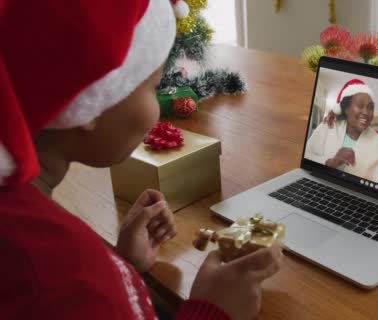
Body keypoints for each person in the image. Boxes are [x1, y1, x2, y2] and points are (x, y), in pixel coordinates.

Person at [0, 1, 281, 320]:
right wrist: (212, 311)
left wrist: (122, 266)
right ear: (92, 98)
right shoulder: (69, 282)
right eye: (153, 87)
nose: (157, 110)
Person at [305, 79, 378, 184]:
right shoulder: (328, 126)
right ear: (346, 109)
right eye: (360, 105)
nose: (366, 112)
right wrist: (330, 162)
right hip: (318, 184)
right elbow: (307, 156)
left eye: (370, 107)